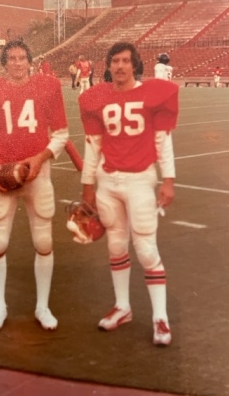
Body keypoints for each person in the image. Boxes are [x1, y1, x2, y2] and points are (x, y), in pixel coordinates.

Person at [78, 41, 179, 346]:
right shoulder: (96, 98)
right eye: (115, 61)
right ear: (108, 66)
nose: (120, 66)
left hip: (140, 181)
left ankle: (160, 317)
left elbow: (163, 140)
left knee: (146, 249)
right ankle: (123, 307)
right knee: (116, 246)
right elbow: (92, 147)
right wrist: (88, 188)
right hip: (108, 182)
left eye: (125, 61)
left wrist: (168, 180)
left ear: (135, 64)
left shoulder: (152, 93)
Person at [0, 39, 69, 331]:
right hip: (3, 172)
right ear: (4, 63)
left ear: (30, 60)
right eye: (11, 58)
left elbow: (61, 134)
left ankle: (43, 306)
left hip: (37, 175)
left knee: (43, 242)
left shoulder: (48, 86)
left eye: (21, 58)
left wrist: (40, 159)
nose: (17, 63)